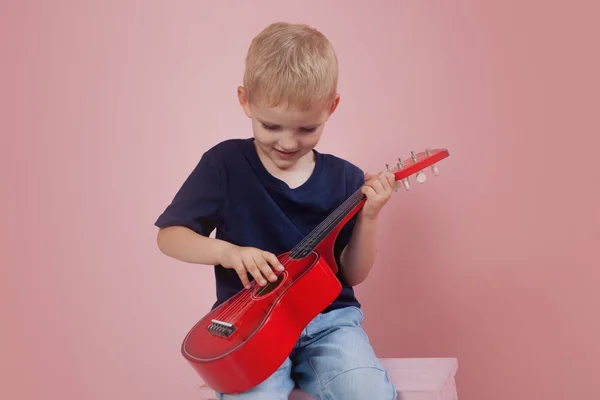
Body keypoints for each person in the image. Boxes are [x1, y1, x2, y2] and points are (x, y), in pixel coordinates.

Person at [155, 21, 397, 400]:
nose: (287, 142)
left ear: (331, 107)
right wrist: (228, 252)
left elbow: (353, 273)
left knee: (366, 390)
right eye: (270, 126)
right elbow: (169, 237)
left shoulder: (346, 179)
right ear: (245, 100)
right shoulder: (224, 164)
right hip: (250, 329)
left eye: (306, 129)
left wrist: (369, 216)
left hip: (329, 321)